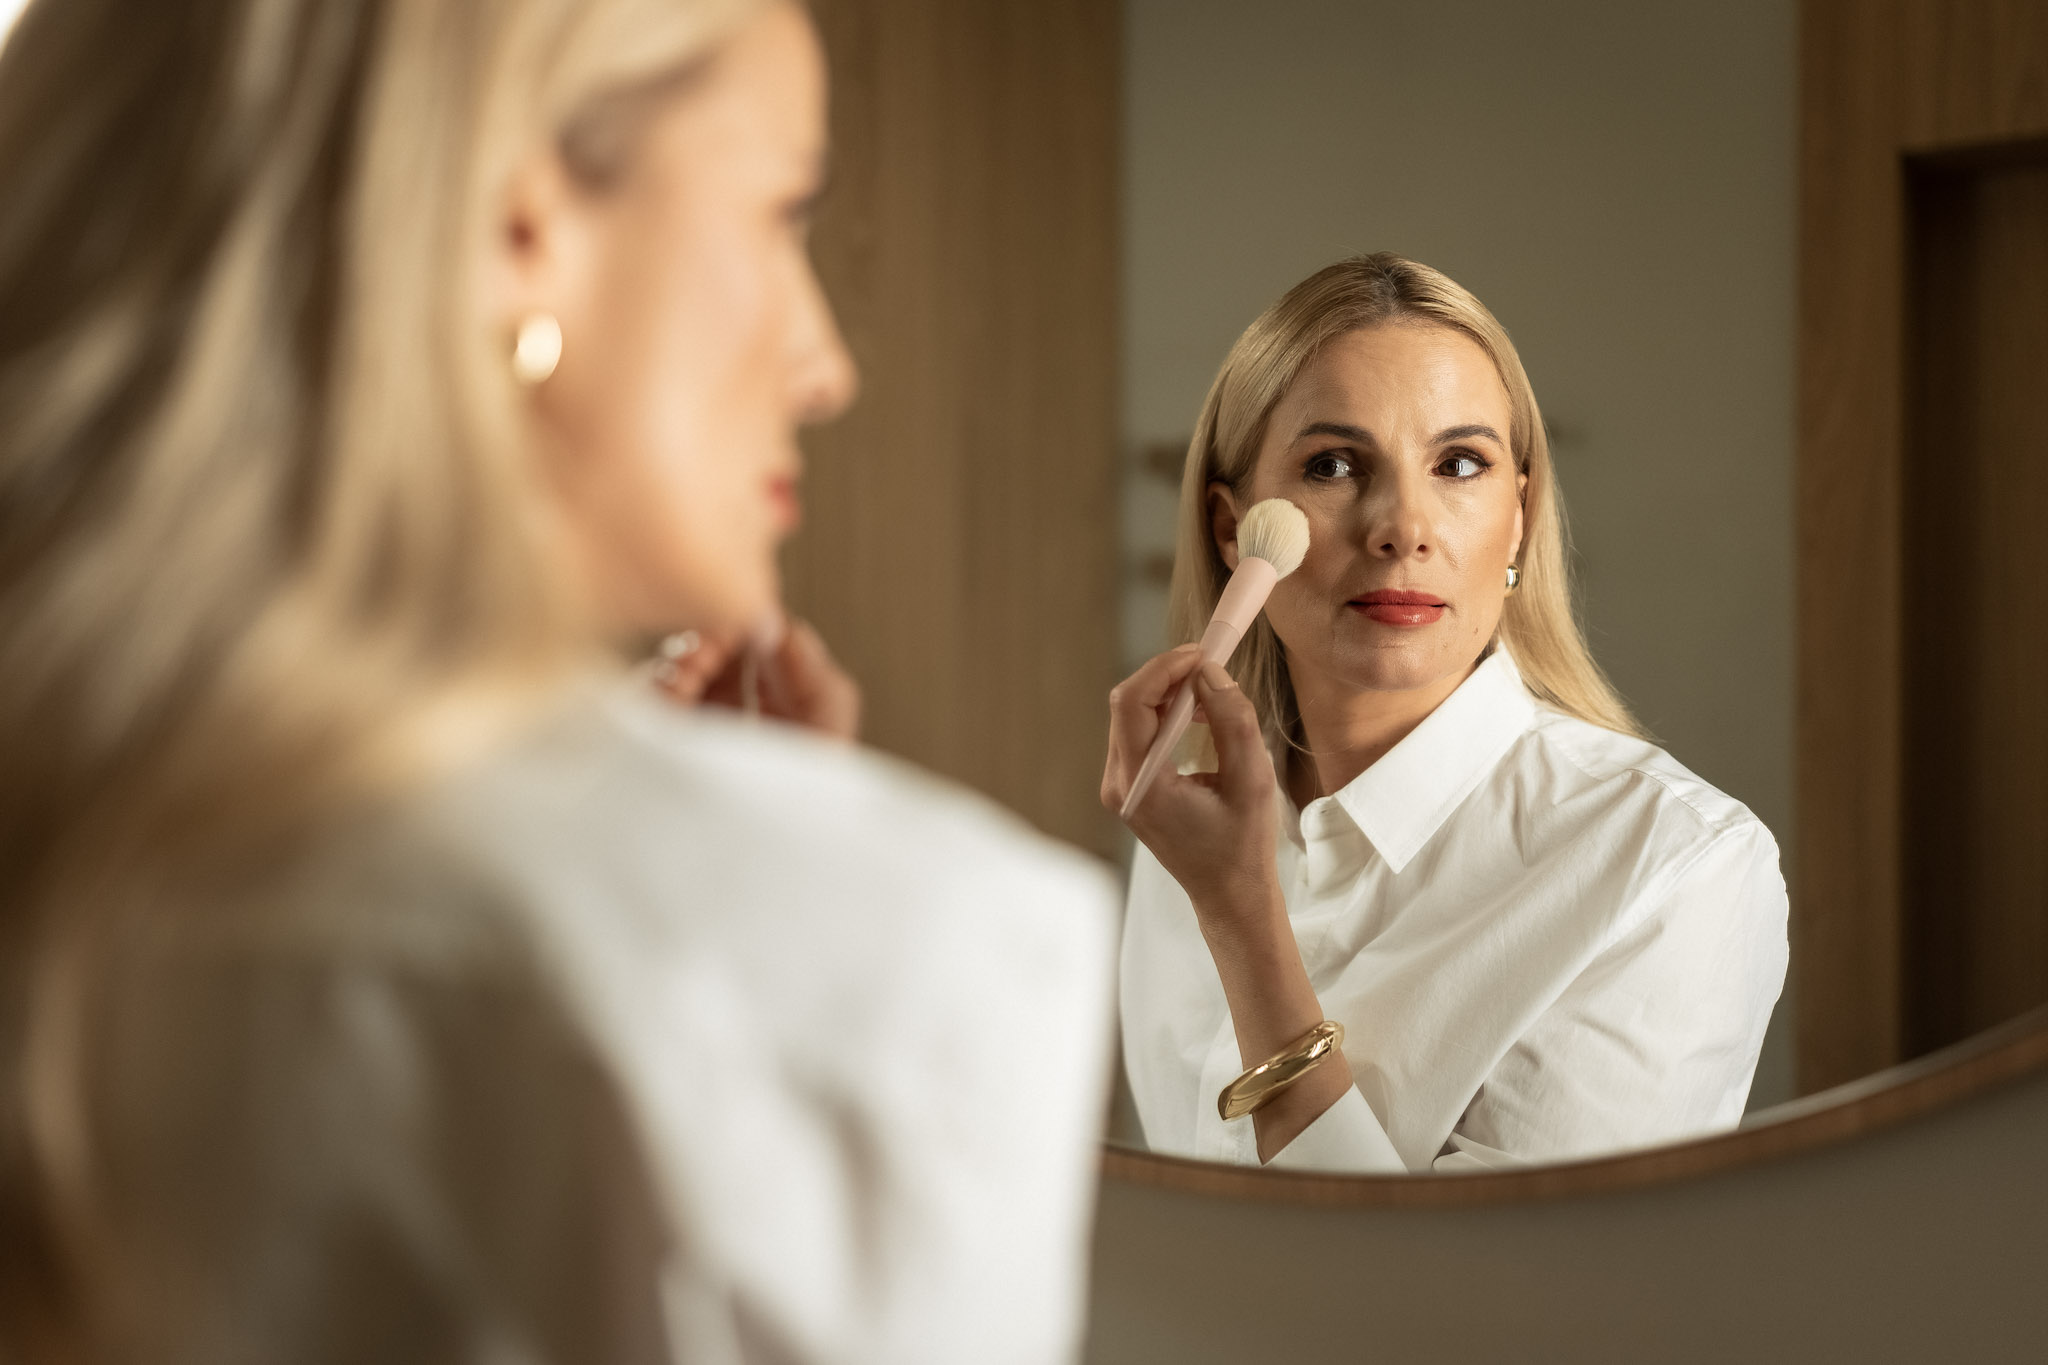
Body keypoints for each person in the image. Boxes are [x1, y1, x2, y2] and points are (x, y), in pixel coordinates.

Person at [0, 1, 1114, 1360]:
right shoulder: (900, 971)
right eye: (783, 214)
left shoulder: (68, 888)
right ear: (522, 233)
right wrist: (740, 891)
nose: (825, 366)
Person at [1105, 254, 1787, 1174]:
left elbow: (1472, 1276)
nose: (1403, 527)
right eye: (1333, 465)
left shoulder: (1671, 867)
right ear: (1234, 530)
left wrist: (1242, 918)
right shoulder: (1184, 824)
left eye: (1459, 463)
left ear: (1519, 516)